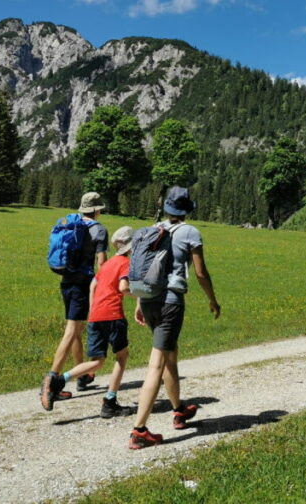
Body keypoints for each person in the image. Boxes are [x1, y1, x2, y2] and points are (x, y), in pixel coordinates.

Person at [129, 186, 221, 450]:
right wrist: (212, 300)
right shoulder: (190, 232)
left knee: (170, 354)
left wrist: (139, 302)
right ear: (187, 209)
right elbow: (201, 273)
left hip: (148, 299)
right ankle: (139, 430)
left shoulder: (152, 229)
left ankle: (179, 410)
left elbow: (144, 267)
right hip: (171, 302)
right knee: (157, 363)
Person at [41, 226, 135, 418]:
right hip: (113, 315)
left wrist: (93, 310)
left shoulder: (106, 265)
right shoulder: (125, 263)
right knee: (122, 357)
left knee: (98, 361)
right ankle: (110, 401)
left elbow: (93, 285)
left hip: (96, 316)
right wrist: (141, 294)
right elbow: (123, 286)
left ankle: (59, 380)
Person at [41, 192, 108, 410]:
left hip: (66, 281)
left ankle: (81, 375)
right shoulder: (99, 230)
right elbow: (102, 264)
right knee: (71, 329)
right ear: (97, 210)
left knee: (77, 329)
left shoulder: (70, 224)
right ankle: (51, 379)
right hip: (83, 285)